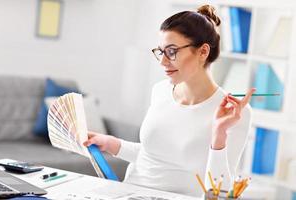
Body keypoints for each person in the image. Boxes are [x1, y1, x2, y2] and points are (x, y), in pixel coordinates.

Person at [83, 4, 255, 197]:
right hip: (129, 193)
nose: (162, 62)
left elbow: (220, 194)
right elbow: (154, 156)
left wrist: (219, 136)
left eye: (172, 52)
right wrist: (111, 143)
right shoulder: (160, 91)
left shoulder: (234, 113)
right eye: (160, 51)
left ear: (203, 52)